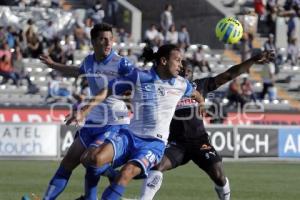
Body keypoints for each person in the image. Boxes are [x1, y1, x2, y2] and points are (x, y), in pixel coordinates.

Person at [139, 50, 274, 200]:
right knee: (157, 166)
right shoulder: (166, 86)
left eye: (188, 71)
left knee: (219, 175)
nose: (184, 73)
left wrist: (253, 60)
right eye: (182, 69)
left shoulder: (200, 85)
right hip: (176, 143)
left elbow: (229, 74)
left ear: (192, 74)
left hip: (199, 141)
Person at [77, 44, 205, 200]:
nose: (181, 65)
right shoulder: (139, 76)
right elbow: (108, 89)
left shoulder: (181, 84)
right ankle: (111, 176)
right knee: (91, 159)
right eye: (177, 60)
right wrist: (85, 110)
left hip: (154, 143)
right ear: (164, 61)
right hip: (129, 136)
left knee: (127, 172)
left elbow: (197, 95)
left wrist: (202, 104)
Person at [41, 23, 135, 200]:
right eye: (103, 39)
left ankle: (110, 177)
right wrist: (54, 65)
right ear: (93, 42)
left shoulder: (121, 63)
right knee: (68, 162)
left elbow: (136, 81)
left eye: (110, 39)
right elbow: (77, 71)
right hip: (92, 121)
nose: (108, 43)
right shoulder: (89, 61)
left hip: (113, 122)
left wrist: (131, 95)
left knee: (89, 159)